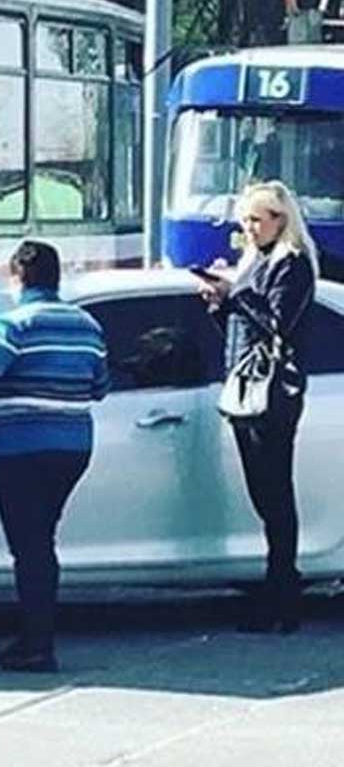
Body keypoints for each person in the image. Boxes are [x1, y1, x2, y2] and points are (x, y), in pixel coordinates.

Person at [0, 240, 109, 673]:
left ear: (17, 277)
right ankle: (32, 637)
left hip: (20, 446)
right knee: (42, 538)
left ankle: (38, 644)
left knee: (29, 544)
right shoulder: (87, 325)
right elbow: (99, 385)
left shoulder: (13, 324)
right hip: (74, 446)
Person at [194, 180, 318, 634]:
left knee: (275, 491)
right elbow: (241, 328)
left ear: (280, 222)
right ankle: (280, 585)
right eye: (244, 220)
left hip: (275, 392)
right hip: (245, 384)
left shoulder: (293, 264)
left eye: (256, 220)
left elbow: (278, 323)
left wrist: (236, 295)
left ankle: (283, 594)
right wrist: (217, 302)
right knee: (262, 493)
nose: (248, 228)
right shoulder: (256, 260)